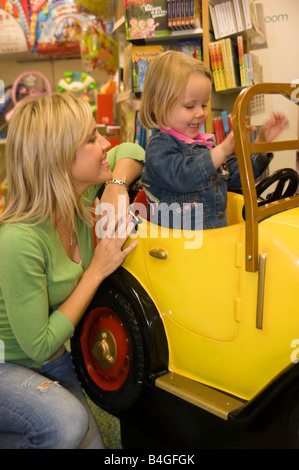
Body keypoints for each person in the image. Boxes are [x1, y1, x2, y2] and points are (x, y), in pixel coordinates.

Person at [0, 92, 144, 449]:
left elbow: (133, 151)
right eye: (92, 138)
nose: (104, 143)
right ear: (59, 159)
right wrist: (96, 270)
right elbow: (39, 344)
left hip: (53, 361)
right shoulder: (18, 240)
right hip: (10, 365)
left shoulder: (78, 198)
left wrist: (115, 184)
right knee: (67, 425)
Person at [139, 50, 289, 230]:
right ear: (158, 105)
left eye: (204, 104)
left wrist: (260, 143)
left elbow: (237, 176)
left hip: (212, 242)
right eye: (190, 106)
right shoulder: (159, 147)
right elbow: (185, 176)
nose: (201, 112)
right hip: (181, 249)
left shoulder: (203, 146)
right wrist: (222, 151)